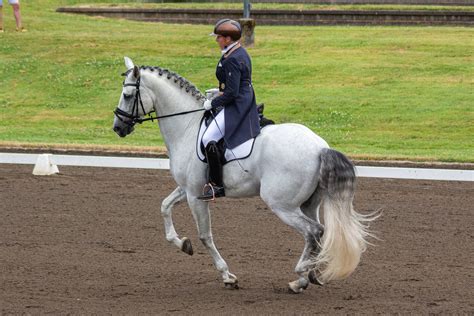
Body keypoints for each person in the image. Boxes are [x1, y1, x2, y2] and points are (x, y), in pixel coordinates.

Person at [197, 19, 261, 201]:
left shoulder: (233, 58)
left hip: (238, 103)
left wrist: (214, 103)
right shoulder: (235, 52)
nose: (216, 40)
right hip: (241, 96)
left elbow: (232, 93)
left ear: (227, 38)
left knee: (208, 137)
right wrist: (218, 92)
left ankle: (216, 185)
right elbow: (235, 84)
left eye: (218, 37)